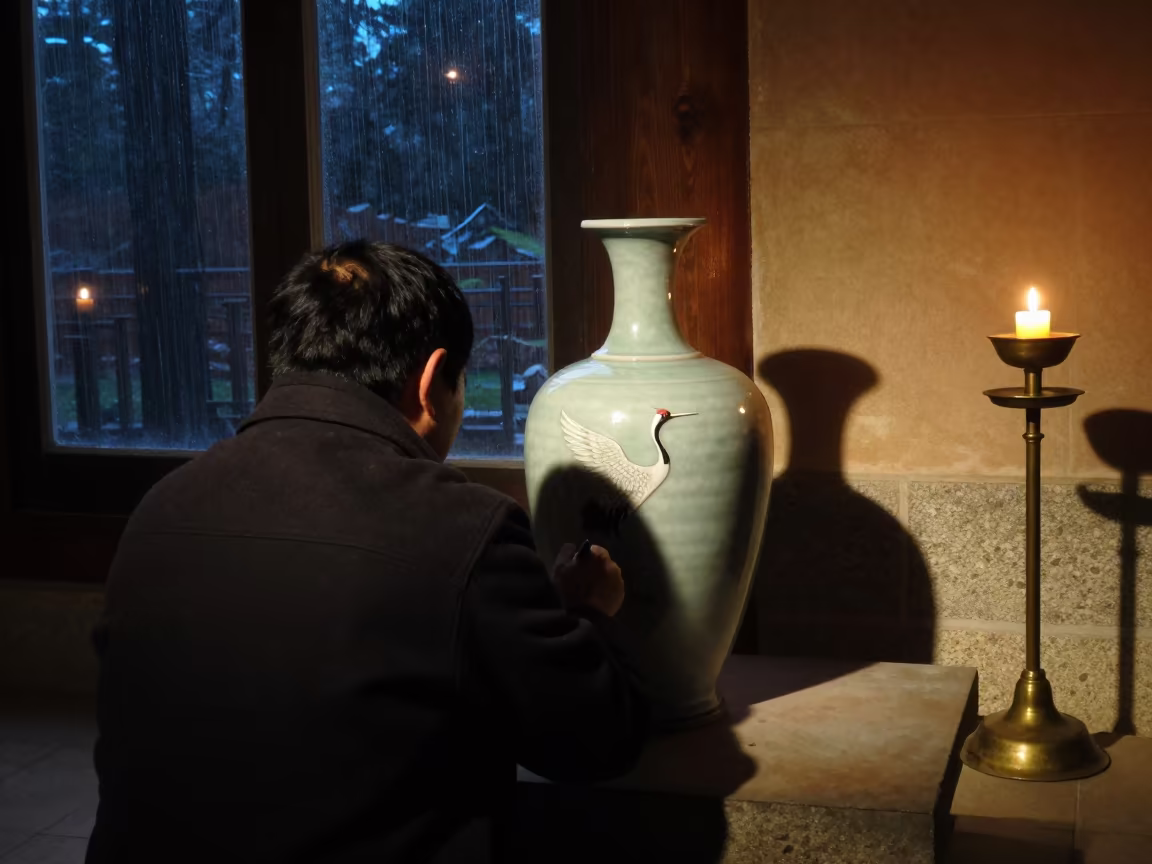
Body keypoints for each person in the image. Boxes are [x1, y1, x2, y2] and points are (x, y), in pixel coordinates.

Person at [86, 240, 648, 864]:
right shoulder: (461, 528)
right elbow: (596, 741)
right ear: (433, 381)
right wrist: (589, 613)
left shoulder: (160, 510)